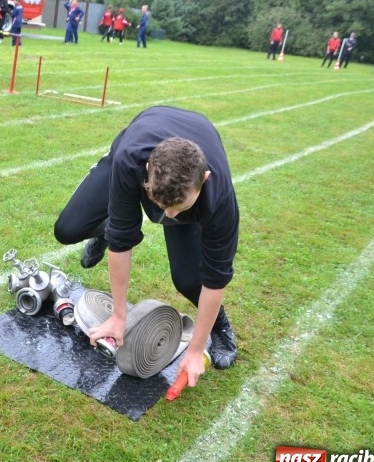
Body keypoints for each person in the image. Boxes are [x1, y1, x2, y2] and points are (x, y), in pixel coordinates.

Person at [54, 106, 240, 387]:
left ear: (204, 180)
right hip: (140, 144)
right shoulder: (130, 160)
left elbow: (216, 277)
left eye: (180, 207)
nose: (169, 216)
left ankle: (221, 328)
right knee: (68, 228)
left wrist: (195, 349)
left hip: (188, 155)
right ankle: (108, 228)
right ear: (147, 172)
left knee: (189, 281)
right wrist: (119, 316)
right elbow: (122, 243)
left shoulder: (220, 201)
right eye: (163, 205)